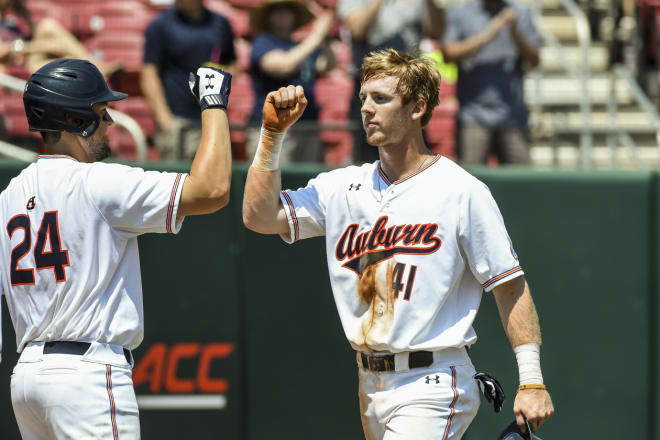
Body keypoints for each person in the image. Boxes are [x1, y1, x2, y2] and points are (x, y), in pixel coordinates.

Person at [242, 49, 554, 438]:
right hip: (370, 383)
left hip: (434, 379)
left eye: (381, 98)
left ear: (417, 108)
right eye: (362, 99)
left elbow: (509, 285)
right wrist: (271, 136)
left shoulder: (460, 190)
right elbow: (259, 216)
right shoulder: (342, 187)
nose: (367, 109)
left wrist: (532, 380)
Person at [1, 58, 232, 438]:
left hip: (26, 378)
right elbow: (212, 190)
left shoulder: (9, 195)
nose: (109, 122)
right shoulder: (98, 182)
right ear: (76, 121)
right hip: (86, 375)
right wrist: (213, 104)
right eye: (101, 111)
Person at [338, 0, 444, 164]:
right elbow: (358, 29)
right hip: (372, 88)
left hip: (409, 89)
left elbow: (437, 31)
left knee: (414, 153)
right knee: (367, 157)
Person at [442, 0, 540, 165]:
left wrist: (515, 33)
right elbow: (448, 53)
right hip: (473, 115)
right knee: (470, 180)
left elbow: (535, 60)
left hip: (513, 117)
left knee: (523, 183)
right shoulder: (461, 12)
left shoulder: (519, 13)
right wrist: (489, 33)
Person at [141, 0, 237, 161]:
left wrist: (217, 72)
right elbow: (149, 74)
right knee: (177, 183)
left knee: (212, 182)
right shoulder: (160, 25)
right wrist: (165, 119)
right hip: (176, 122)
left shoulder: (221, 23)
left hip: (212, 117)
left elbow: (233, 65)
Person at [246, 0, 336, 165]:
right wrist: (317, 35)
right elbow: (282, 66)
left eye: (288, 10)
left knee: (305, 184)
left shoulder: (301, 45)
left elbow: (326, 65)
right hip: (273, 128)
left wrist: (328, 37)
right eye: (277, 10)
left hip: (307, 126)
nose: (283, 14)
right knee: (272, 184)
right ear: (269, 17)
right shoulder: (262, 43)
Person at [0, 0, 120, 75]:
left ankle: (93, 65)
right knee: (69, 61)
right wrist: (43, 46)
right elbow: (2, 51)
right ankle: (94, 68)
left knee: (48, 26)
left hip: (29, 57)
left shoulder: (17, 15)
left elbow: (31, 35)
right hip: (16, 66)